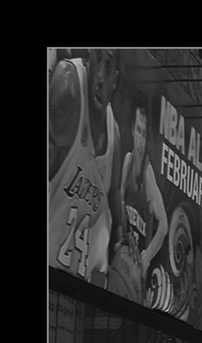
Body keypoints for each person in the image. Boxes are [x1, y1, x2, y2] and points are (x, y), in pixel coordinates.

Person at [49, 49, 122, 288]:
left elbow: (113, 198)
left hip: (85, 295)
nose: (100, 76)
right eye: (97, 59)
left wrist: (124, 240)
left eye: (108, 66)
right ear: (88, 58)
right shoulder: (69, 85)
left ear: (115, 81)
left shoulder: (115, 136)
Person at [109, 90, 168, 304]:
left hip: (137, 282)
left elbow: (164, 224)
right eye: (138, 131)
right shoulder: (127, 162)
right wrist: (122, 234)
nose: (141, 140)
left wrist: (148, 254)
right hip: (120, 261)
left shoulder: (148, 174)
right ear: (133, 131)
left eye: (145, 133)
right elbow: (118, 206)